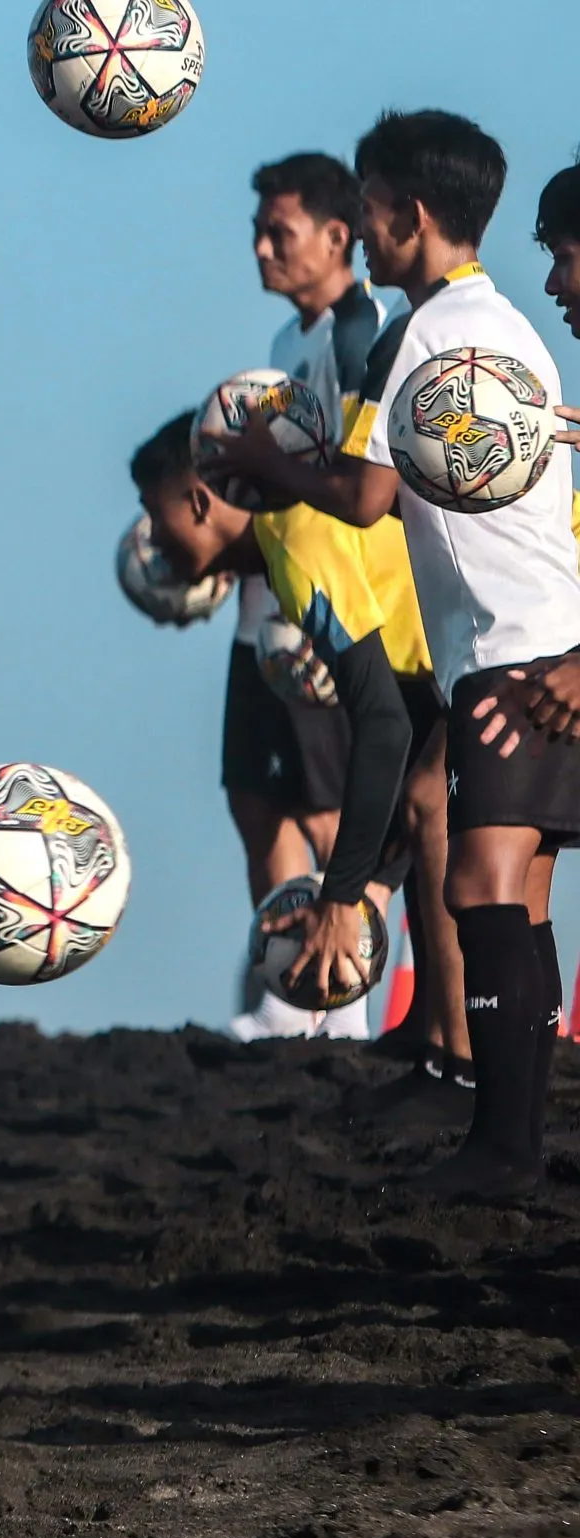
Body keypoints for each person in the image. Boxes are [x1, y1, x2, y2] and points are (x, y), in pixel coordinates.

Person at [212, 110, 580, 1198]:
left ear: (407, 216)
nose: (361, 235)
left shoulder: (422, 335)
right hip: (532, 636)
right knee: (521, 893)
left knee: (481, 888)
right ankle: (504, 1128)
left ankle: (502, 1145)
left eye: (366, 214)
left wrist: (256, 462)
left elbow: (370, 498)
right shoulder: (497, 321)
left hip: (513, 651)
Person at [133, 412, 456, 1104]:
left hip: (540, 621)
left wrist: (342, 899)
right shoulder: (288, 542)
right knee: (426, 809)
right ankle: (429, 1035)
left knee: (438, 814)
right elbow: (402, 706)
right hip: (454, 664)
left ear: (199, 502)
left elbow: (383, 724)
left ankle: (456, 1063)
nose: (150, 541)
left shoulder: (298, 537)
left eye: (151, 514)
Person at [220, 154, 377, 1043]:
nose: (260, 248)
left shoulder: (358, 333)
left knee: (326, 810)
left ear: (336, 235)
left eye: (277, 231)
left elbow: (355, 484)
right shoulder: (287, 345)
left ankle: (342, 994)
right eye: (257, 231)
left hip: (322, 614)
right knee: (256, 800)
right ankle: (288, 993)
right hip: (262, 612)